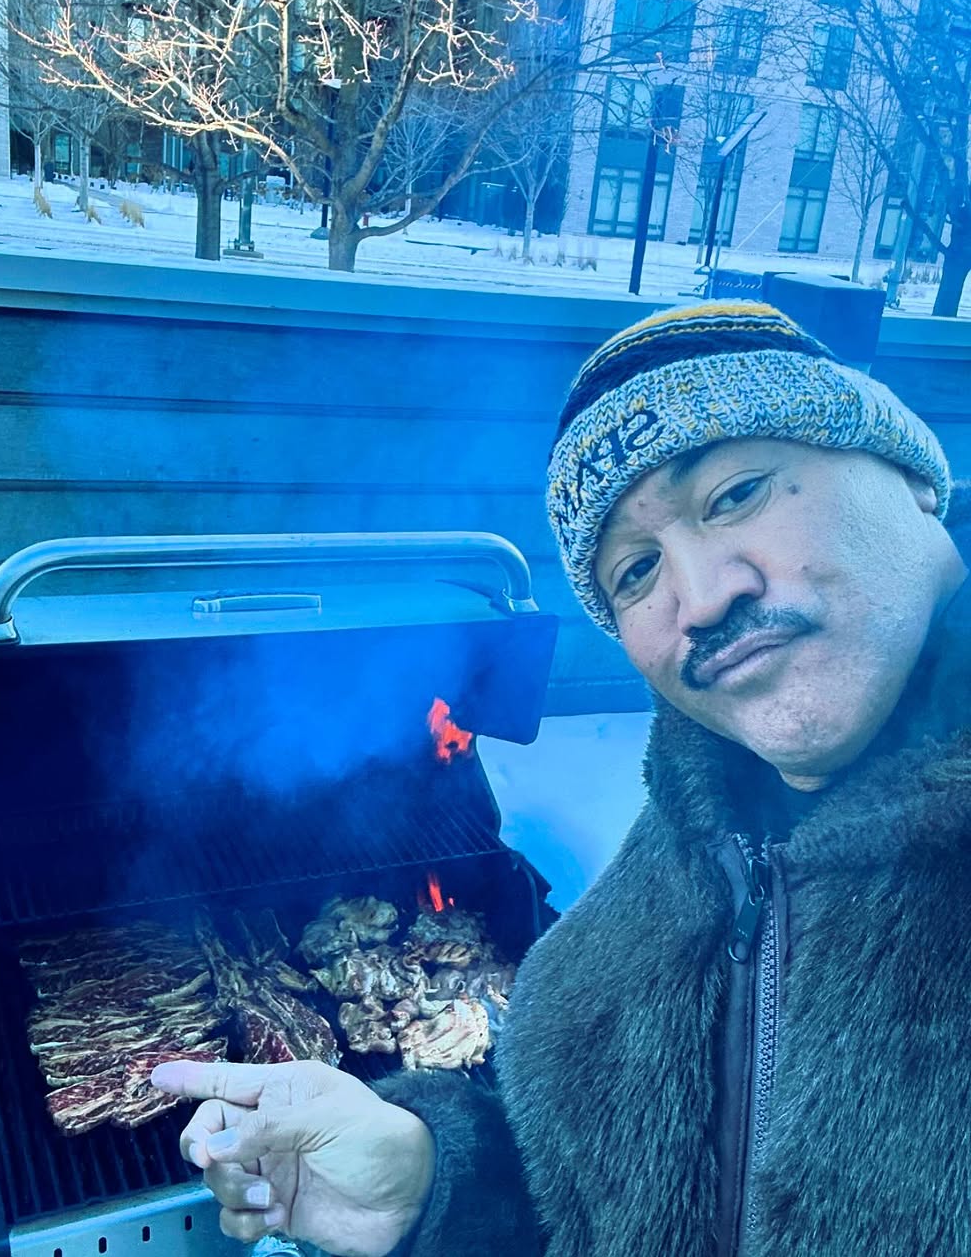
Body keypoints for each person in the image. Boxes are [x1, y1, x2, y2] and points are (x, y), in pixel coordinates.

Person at [152, 301, 971, 1256]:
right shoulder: (633, 926)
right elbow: (603, 1208)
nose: (703, 598)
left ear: (911, 476)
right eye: (635, 572)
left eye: (737, 493)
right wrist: (438, 1186)